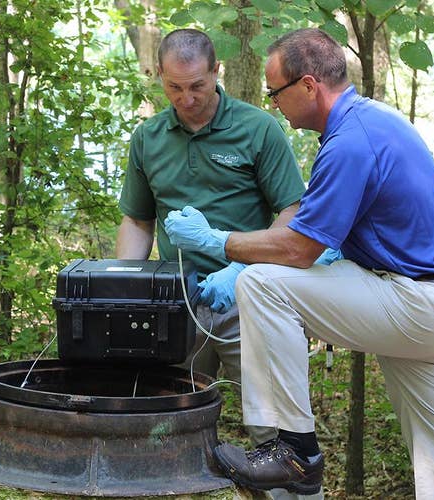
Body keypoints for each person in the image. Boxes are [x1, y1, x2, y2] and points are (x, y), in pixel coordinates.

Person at [164, 28, 434, 499]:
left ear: (309, 86)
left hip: (416, 303)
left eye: (276, 92)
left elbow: (299, 250)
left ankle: (292, 448)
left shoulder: (351, 141)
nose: (273, 103)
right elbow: (324, 239)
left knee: (263, 284)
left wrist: (220, 243)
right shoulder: (372, 122)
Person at [115, 28, 306, 445]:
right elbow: (138, 220)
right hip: (176, 302)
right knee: (167, 415)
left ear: (216, 72)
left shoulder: (257, 129)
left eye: (197, 85)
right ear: (159, 77)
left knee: (271, 420)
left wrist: (242, 268)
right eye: (174, 87)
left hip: (250, 293)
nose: (186, 98)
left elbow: (293, 210)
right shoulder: (147, 139)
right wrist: (128, 285)